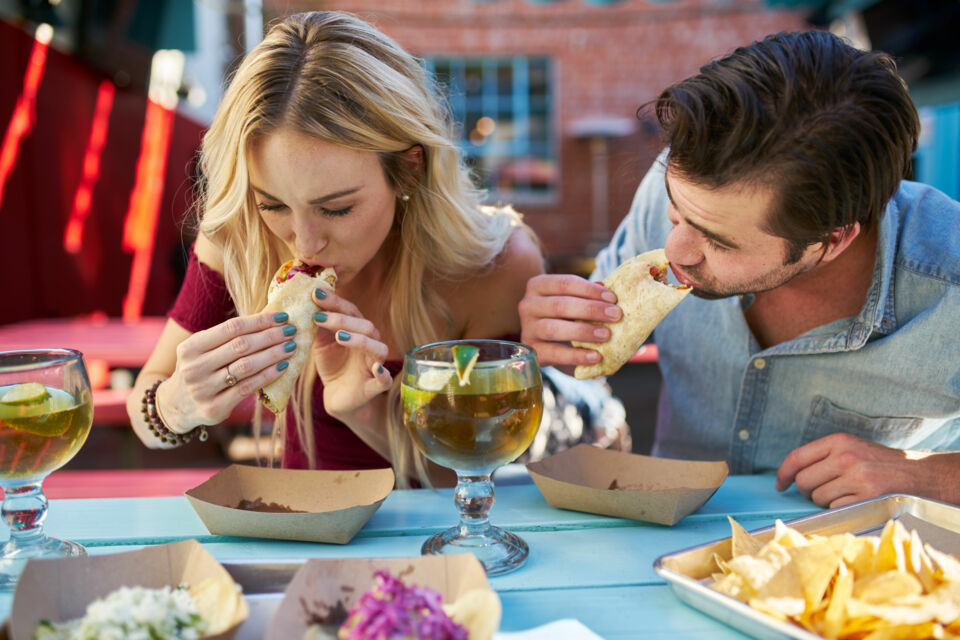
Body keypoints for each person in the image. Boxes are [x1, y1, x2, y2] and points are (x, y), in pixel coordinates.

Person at [519, 30, 960, 508]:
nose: (675, 249)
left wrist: (925, 476)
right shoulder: (690, 185)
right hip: (662, 536)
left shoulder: (949, 284)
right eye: (674, 213)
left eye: (718, 241)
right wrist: (558, 338)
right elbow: (586, 349)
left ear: (832, 240)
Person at [126, 11, 544, 488]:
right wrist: (176, 406)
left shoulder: (496, 267)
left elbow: (473, 479)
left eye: (337, 208)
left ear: (409, 170)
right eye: (273, 204)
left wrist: (364, 411)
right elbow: (145, 409)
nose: (304, 243)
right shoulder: (240, 236)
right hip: (298, 526)